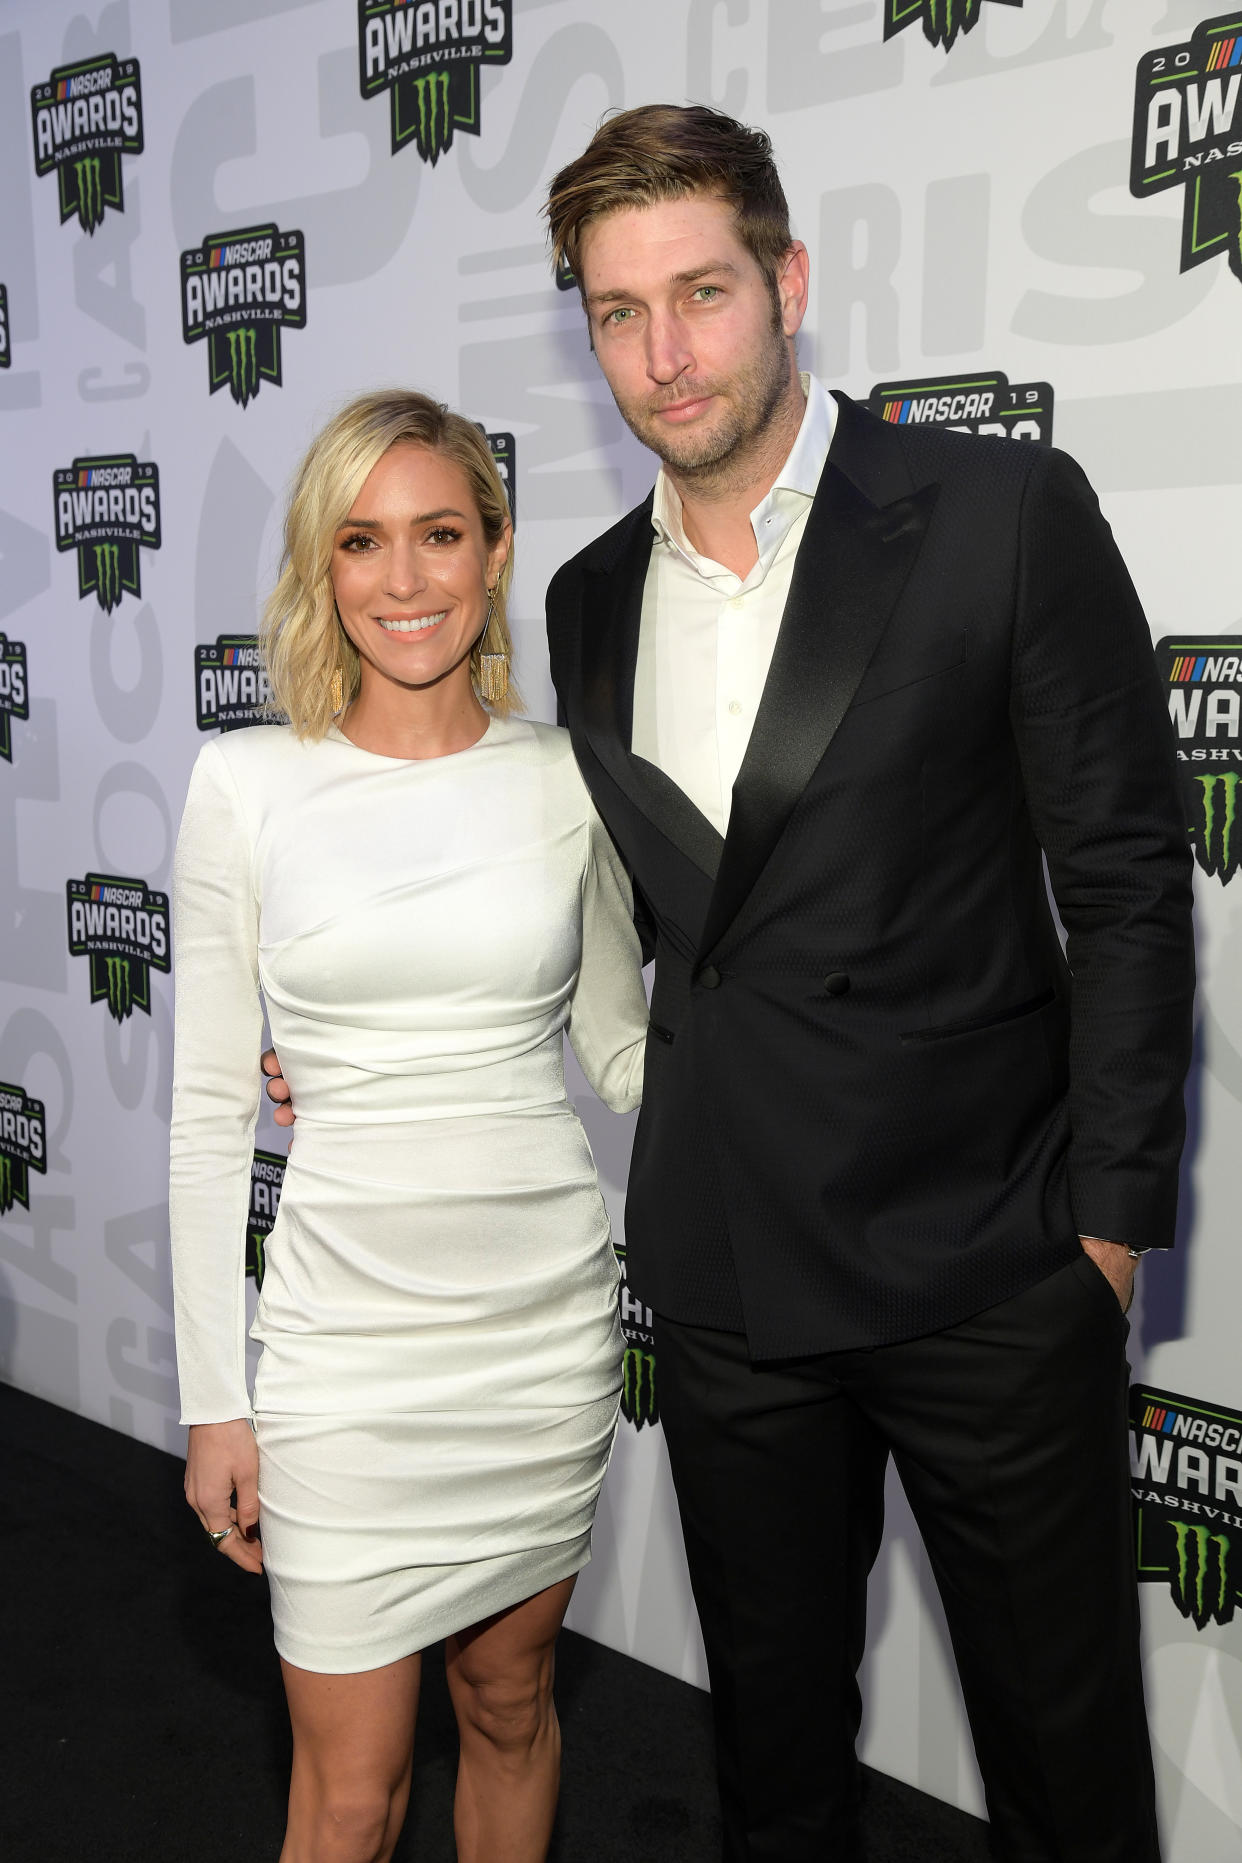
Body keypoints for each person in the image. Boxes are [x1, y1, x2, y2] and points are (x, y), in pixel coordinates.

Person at [539, 105, 1194, 1862]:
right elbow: (629, 915)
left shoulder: (994, 511)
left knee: (1063, 1774)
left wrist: (1107, 1232)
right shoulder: (586, 597)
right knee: (772, 1756)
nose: (664, 355)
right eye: (616, 311)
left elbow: (1127, 881)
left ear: (788, 284)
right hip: (732, 1279)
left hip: (985, 1263)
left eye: (699, 293)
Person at [170, 389, 647, 1863]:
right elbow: (201, 1114)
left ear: (494, 550)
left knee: (509, 1703)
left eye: (439, 534)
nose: (403, 579)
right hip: (347, 1359)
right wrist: (213, 1400)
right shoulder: (246, 784)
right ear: (323, 565)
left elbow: (630, 1053)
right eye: (362, 542)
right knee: (351, 1796)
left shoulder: (569, 781)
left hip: (537, 1337)